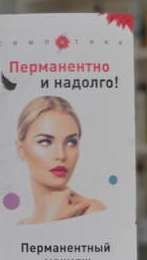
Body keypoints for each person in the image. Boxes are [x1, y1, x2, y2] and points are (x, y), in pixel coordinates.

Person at [15, 96, 106, 224]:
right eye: (46, 142)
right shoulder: (21, 225)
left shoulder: (92, 212)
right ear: (21, 149)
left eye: (71, 142)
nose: (61, 155)